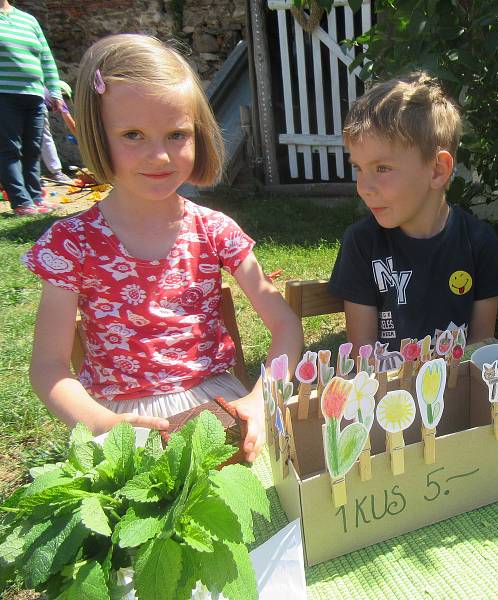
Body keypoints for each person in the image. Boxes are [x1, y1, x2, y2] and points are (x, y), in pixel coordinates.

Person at [22, 34, 303, 463]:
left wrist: (262, 399)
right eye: (133, 135)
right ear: (97, 134)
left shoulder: (214, 230)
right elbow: (48, 368)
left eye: (176, 134)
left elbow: (286, 326)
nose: (159, 156)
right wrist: (102, 424)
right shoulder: (72, 244)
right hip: (116, 423)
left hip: (219, 413)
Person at [328, 71, 498, 350]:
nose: (364, 187)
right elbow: (362, 354)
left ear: (437, 170)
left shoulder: (478, 244)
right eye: (359, 168)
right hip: (385, 391)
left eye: (382, 168)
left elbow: (480, 349)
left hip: (457, 389)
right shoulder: (362, 244)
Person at [0, 0, 61, 215]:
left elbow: (46, 58)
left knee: (33, 149)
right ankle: (21, 202)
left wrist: (54, 90)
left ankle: (35, 197)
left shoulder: (28, 20)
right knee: (9, 149)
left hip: (34, 95)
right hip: (4, 95)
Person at [40, 80, 77, 185]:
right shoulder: (57, 96)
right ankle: (57, 173)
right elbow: (72, 126)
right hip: (34, 105)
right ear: (62, 92)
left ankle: (31, 177)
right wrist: (83, 141)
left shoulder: (43, 90)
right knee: (45, 137)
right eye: (65, 98)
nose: (64, 102)